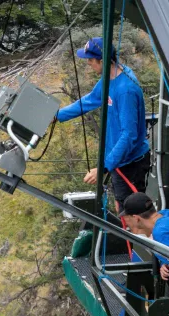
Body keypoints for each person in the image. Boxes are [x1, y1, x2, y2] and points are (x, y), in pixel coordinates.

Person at [56, 37, 151, 207]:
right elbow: (90, 100)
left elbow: (129, 135)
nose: (89, 64)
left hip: (130, 164)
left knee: (132, 216)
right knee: (121, 207)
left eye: (91, 60)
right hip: (119, 160)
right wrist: (57, 116)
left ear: (102, 61)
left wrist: (103, 168)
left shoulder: (125, 90)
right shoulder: (111, 78)